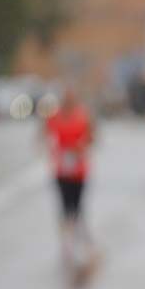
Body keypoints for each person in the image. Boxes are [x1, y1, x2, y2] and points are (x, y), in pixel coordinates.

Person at [44, 86, 96, 270]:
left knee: (78, 206)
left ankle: (79, 240)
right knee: (65, 207)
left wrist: (81, 145)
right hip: (62, 170)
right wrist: (52, 148)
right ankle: (67, 243)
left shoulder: (83, 115)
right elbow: (46, 135)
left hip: (79, 169)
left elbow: (92, 137)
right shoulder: (55, 117)